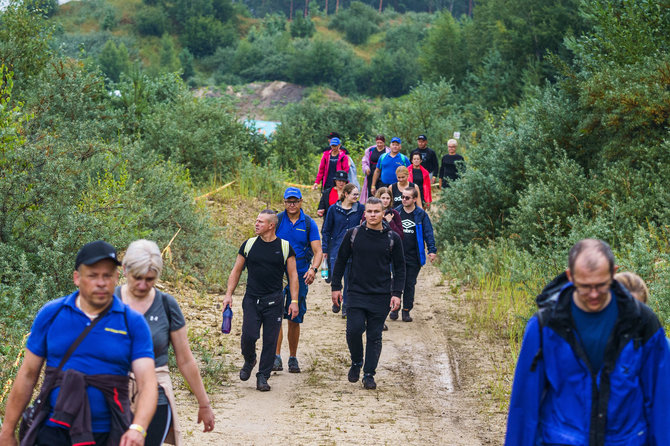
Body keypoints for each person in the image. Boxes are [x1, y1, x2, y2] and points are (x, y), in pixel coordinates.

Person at [505, 239, 670, 445]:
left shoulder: (643, 323)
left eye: (601, 285)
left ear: (614, 273)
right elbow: (524, 405)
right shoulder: (545, 326)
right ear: (570, 276)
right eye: (584, 286)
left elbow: (661, 405)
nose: (593, 294)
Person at [0, 240, 157, 446]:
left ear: (117, 278)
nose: (101, 282)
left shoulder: (132, 322)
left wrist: (138, 429)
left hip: (108, 434)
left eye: (107, 275)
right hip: (51, 432)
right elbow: (28, 374)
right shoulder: (52, 313)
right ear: (77, 278)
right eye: (92, 275)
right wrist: (7, 430)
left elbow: (147, 383)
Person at [118, 240, 215, 446]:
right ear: (125, 270)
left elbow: (185, 359)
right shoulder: (108, 302)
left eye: (150, 279)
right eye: (138, 278)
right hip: (112, 394)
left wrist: (204, 403)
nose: (143, 285)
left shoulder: (166, 305)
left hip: (156, 396)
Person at [331, 197, 406, 390]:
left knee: (374, 336)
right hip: (356, 292)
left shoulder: (392, 238)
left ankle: (369, 374)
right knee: (353, 330)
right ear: (364, 213)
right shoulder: (353, 234)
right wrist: (335, 287)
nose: (372, 215)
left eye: (376, 211)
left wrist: (396, 293)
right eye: (369, 211)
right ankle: (357, 362)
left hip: (381, 294)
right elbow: (340, 261)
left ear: (383, 213)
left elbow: (400, 268)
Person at [222, 210, 299, 392]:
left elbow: (293, 275)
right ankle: (249, 360)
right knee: (249, 336)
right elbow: (236, 270)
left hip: (274, 300)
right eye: (256, 221)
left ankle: (263, 376)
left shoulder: (285, 247)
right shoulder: (248, 245)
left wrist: (294, 300)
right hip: (252, 299)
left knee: (270, 340)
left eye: (260, 222)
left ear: (271, 225)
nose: (256, 224)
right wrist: (228, 294)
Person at [273, 187, 323, 374]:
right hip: (277, 273)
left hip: (301, 272)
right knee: (276, 315)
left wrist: (313, 269)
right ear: (284, 202)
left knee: (294, 316)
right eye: (288, 201)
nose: (291, 204)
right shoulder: (276, 220)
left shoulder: (308, 223)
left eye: (295, 201)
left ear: (301, 201)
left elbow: (318, 251)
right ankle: (276, 357)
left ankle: (292, 357)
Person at [392, 187, 437, 322]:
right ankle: (394, 308)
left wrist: (432, 250)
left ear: (415, 199)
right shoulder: (396, 212)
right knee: (396, 282)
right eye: (402, 197)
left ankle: (406, 310)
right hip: (397, 255)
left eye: (407, 197)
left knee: (409, 284)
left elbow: (428, 233)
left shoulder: (421, 215)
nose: (404, 200)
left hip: (414, 256)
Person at [322, 184, 365, 318]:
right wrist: (325, 249)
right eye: (354, 194)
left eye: (357, 195)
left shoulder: (360, 209)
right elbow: (326, 230)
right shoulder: (333, 209)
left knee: (350, 279)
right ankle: (337, 301)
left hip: (354, 249)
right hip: (336, 248)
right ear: (346, 194)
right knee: (336, 276)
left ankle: (346, 305)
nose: (357, 197)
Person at [361, 135, 390, 202]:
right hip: (371, 174)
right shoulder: (370, 150)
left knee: (381, 192)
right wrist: (366, 168)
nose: (379, 144)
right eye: (378, 143)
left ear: (384, 142)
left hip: (383, 175)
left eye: (381, 143)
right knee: (371, 193)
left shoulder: (388, 151)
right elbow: (364, 161)